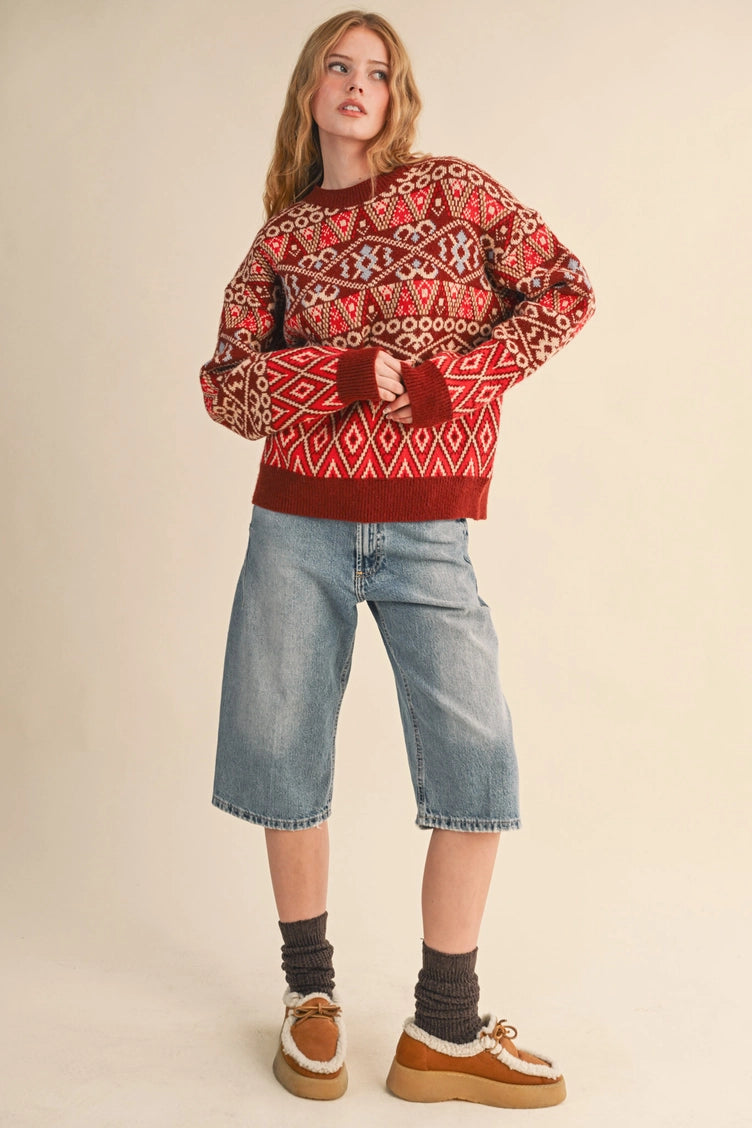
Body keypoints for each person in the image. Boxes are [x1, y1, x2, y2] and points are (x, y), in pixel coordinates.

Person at [199, 9, 594, 1109]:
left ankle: (443, 1028)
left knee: (477, 760)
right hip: (296, 525)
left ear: (395, 96)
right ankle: (309, 999)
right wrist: (335, 372)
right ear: (310, 90)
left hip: (427, 530)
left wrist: (444, 385)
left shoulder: (453, 194)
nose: (356, 82)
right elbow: (225, 387)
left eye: (377, 71)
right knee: (282, 753)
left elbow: (563, 289)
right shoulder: (282, 241)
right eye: (338, 65)